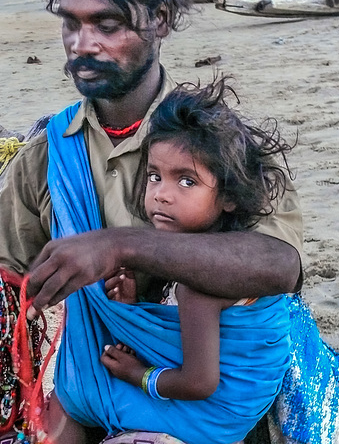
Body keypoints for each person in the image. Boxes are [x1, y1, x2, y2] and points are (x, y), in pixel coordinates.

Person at [0, 0, 339, 443]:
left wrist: (122, 246)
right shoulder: (46, 156)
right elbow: (18, 284)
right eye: (71, 23)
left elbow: (278, 264)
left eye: (107, 25)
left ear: (161, 19)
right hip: (98, 381)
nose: (82, 44)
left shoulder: (217, 143)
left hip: (209, 405)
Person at [100, 76, 293, 407]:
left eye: (186, 181)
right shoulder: (215, 249)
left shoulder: (201, 283)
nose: (161, 194)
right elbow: (184, 332)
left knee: (91, 399)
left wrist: (137, 374)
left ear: (229, 197)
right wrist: (135, 307)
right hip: (246, 395)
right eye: (154, 176)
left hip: (220, 411)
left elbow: (198, 382)